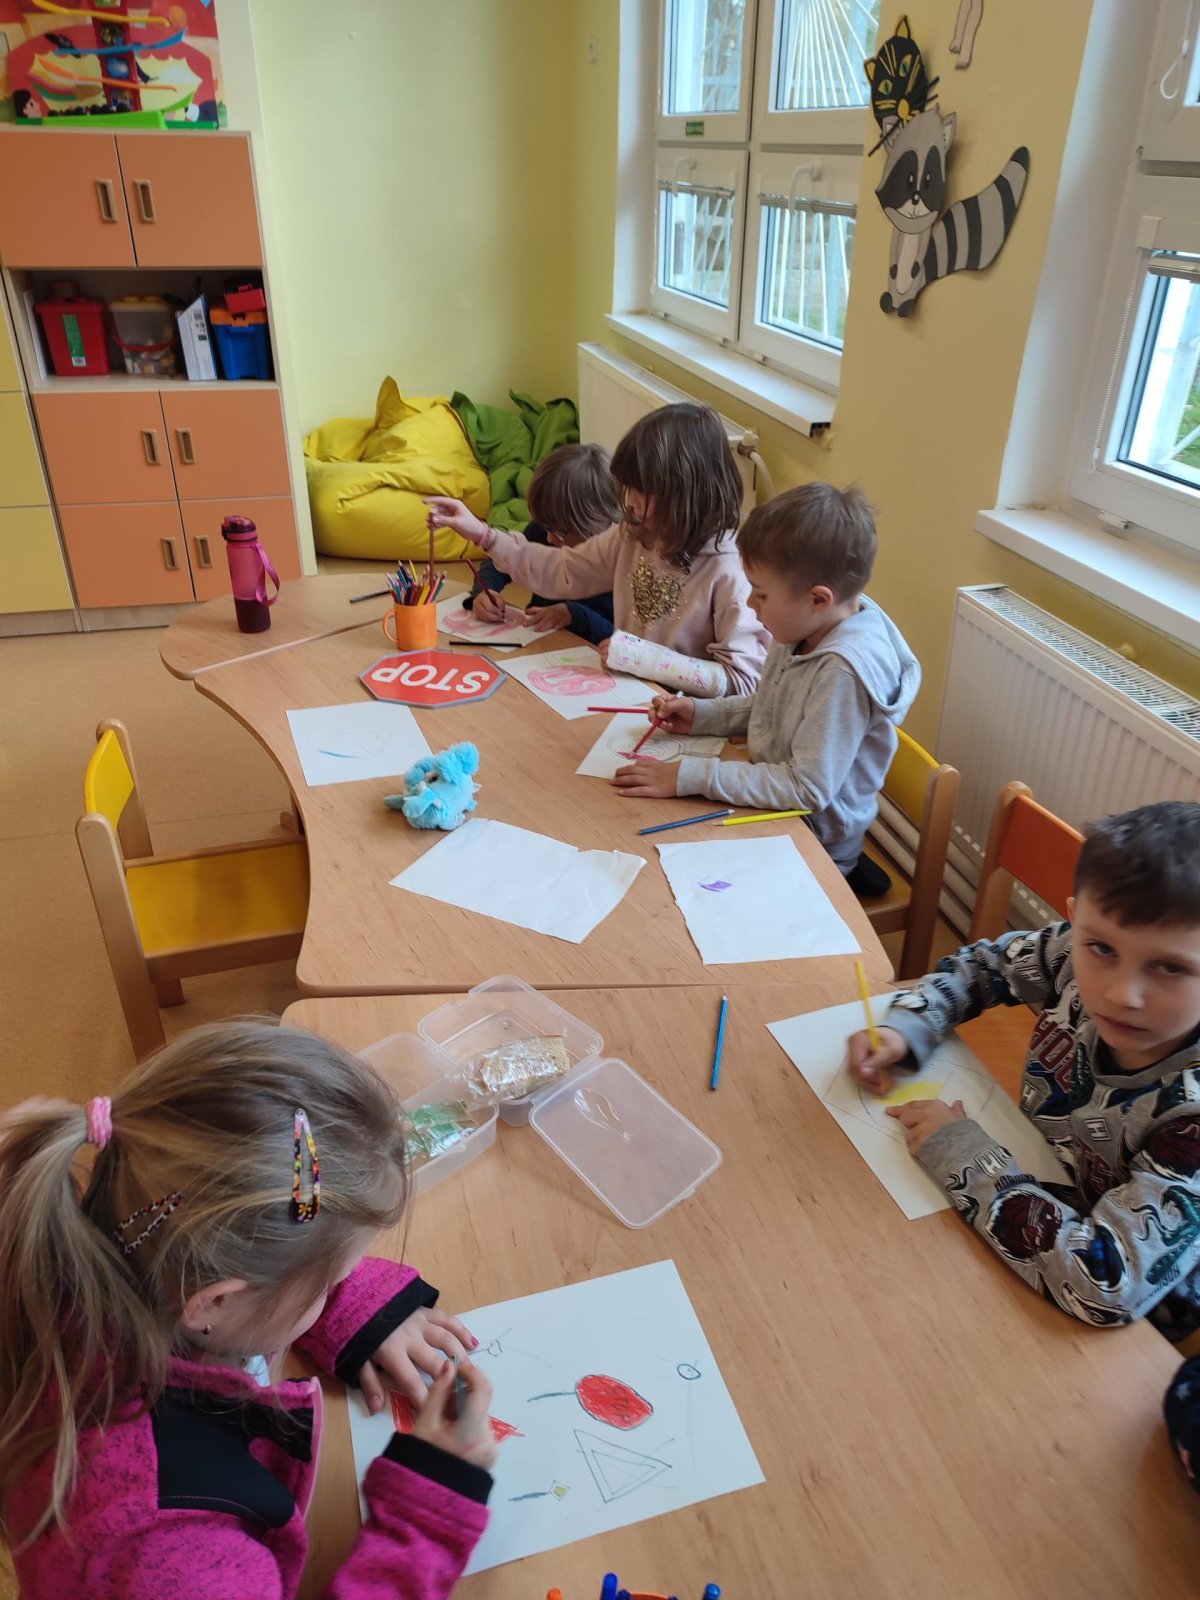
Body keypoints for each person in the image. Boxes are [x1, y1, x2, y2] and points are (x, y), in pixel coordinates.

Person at [0, 1020, 497, 1598]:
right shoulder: (180, 1560)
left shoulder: (95, 1237)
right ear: (216, 1301)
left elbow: (277, 1243)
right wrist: (428, 1513)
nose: (337, 1288)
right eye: (330, 1283)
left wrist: (361, 1308)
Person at [847, 801, 1200, 1342]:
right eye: (1101, 947)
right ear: (1075, 918)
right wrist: (910, 1026)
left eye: (1170, 967)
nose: (1120, 993)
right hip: (1037, 1179)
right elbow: (982, 967)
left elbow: (1106, 1285)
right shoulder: (1071, 950)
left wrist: (966, 1155)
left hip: (1129, 1321)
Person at [613, 483, 919, 898]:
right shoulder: (805, 625)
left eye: (760, 594)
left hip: (815, 846)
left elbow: (806, 788)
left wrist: (691, 775)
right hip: (776, 807)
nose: (751, 605)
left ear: (818, 599)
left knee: (668, 880)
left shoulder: (841, 673)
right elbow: (772, 705)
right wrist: (700, 714)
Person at [427, 403, 768, 696]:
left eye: (642, 491)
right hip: (631, 699)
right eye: (629, 488)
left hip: (687, 726)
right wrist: (483, 534)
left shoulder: (730, 571)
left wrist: (644, 659)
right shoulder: (633, 536)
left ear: (685, 493)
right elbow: (564, 571)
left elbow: (743, 681)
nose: (630, 503)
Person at [467, 442, 617, 646]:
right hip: (534, 644)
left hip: (588, 655)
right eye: (546, 527)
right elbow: (505, 560)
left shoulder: (622, 558)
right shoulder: (549, 527)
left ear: (594, 523)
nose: (549, 539)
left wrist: (574, 615)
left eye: (559, 533)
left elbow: (626, 643)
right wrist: (485, 592)